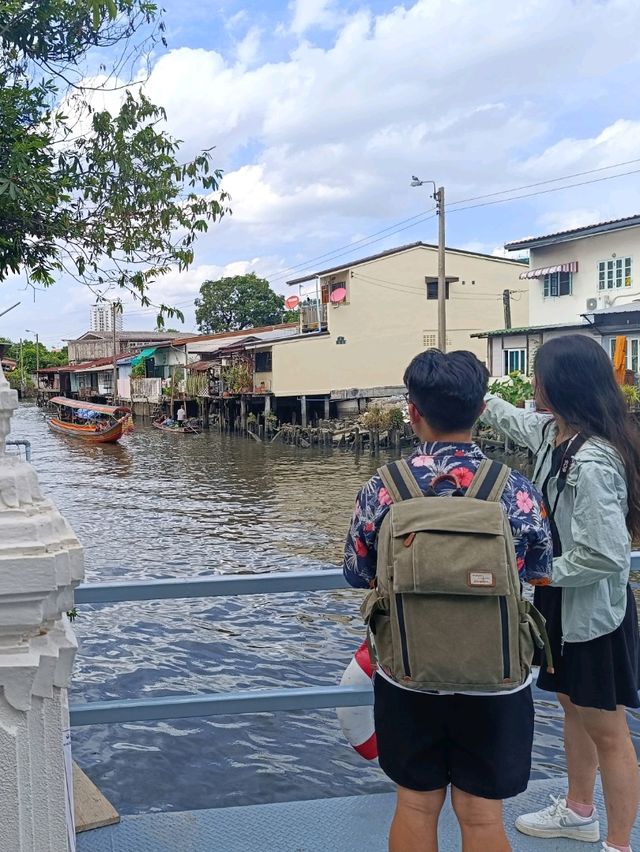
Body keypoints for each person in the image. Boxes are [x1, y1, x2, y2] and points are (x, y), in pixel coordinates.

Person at [343, 349, 552, 852]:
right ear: (482, 410)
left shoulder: (384, 488)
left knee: (415, 804)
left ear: (412, 411)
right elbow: (540, 572)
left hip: (409, 672)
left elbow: (357, 572)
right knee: (482, 817)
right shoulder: (514, 490)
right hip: (495, 676)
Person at [482, 334, 640, 852]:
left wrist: (539, 572)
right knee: (574, 707)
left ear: (562, 384)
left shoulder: (592, 462)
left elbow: (606, 555)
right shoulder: (556, 434)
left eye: (538, 374)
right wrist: (477, 396)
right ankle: (578, 810)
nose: (532, 383)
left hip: (591, 609)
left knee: (609, 730)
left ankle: (618, 844)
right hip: (560, 598)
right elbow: (516, 422)